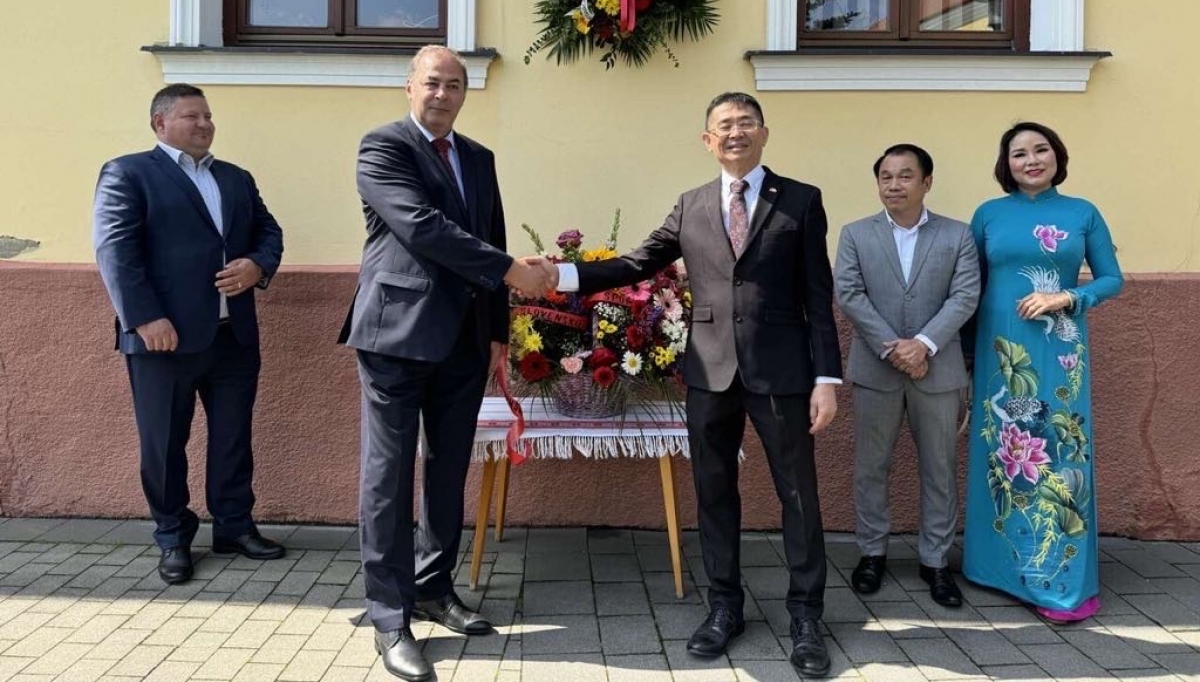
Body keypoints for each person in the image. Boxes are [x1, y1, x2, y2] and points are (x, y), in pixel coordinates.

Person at [539, 92, 841, 677]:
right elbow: (636, 265)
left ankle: (807, 617)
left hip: (781, 373)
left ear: (764, 133)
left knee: (798, 495)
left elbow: (817, 297)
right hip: (709, 371)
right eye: (723, 126)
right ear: (707, 140)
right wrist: (563, 274)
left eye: (745, 123)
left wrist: (825, 376)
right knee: (713, 492)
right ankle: (725, 607)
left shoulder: (801, 201)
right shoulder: (692, 204)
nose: (735, 133)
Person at [338, 46, 552, 682]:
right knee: (389, 475)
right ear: (410, 86)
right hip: (395, 335)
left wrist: (496, 332)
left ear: (465, 93)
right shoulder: (383, 148)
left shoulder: (479, 158)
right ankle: (389, 615)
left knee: (450, 466)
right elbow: (421, 226)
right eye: (432, 82)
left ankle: (433, 589)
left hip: (463, 340)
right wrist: (510, 271)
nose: (443, 94)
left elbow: (492, 235)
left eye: (454, 85)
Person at [93, 83, 285, 585]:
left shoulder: (235, 178)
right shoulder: (128, 173)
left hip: (232, 335)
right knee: (163, 444)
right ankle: (173, 537)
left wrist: (256, 266)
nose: (205, 124)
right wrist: (143, 318)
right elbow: (116, 252)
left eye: (208, 116)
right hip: (164, 337)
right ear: (160, 123)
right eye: (191, 116)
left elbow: (269, 233)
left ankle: (234, 526)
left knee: (232, 439)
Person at [963, 122, 1123, 623]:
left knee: (1058, 446)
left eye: (1040, 150)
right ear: (1004, 164)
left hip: (1060, 351)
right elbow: (971, 287)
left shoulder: (1082, 212)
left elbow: (1111, 278)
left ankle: (1058, 577)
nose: (1031, 160)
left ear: (1058, 156)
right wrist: (968, 359)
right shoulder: (988, 215)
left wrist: (1069, 297)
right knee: (1002, 451)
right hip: (999, 349)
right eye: (1018, 153)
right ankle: (997, 568)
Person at [834, 144, 980, 608]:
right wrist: (895, 347)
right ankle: (872, 552)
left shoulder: (958, 236)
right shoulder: (855, 234)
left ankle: (935, 561)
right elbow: (851, 294)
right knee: (871, 465)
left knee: (940, 467)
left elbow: (964, 297)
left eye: (904, 176)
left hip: (938, 369)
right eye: (885, 177)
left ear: (926, 182)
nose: (894, 185)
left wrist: (924, 345)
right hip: (876, 369)